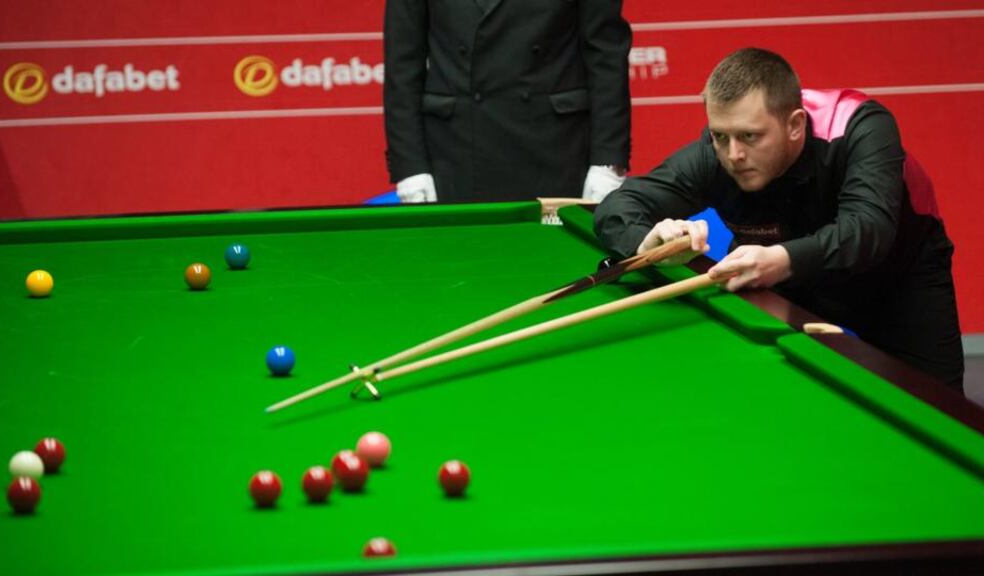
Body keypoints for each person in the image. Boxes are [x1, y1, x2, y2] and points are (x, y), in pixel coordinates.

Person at [594, 47, 964, 391]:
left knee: (939, 409)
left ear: (795, 125)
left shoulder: (859, 127)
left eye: (750, 136)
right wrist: (646, 241)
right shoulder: (716, 153)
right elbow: (619, 205)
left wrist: (782, 260)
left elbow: (868, 232)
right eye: (719, 136)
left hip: (899, 281)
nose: (733, 154)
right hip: (788, 282)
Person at [383, 0, 632, 204]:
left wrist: (607, 164)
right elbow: (402, 66)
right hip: (455, 155)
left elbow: (606, 57)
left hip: (556, 152)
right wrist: (410, 167)